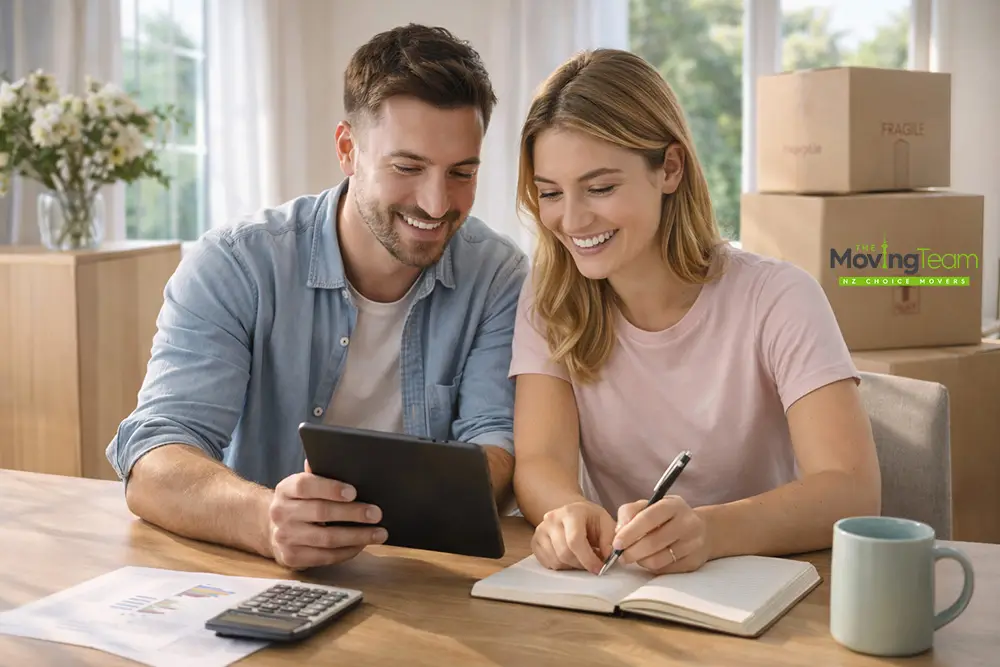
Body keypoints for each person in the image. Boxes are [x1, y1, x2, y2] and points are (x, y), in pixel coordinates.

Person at [107, 24, 527, 570]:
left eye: (461, 173)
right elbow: (154, 455)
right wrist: (265, 520)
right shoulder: (236, 265)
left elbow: (495, 446)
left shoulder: (498, 276)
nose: (435, 202)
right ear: (348, 150)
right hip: (258, 571)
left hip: (424, 579)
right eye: (408, 167)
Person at [509, 49, 882, 577]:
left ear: (670, 168)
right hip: (615, 589)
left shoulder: (779, 297)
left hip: (765, 588)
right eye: (550, 193)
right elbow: (541, 461)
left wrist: (710, 532)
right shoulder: (551, 301)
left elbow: (852, 488)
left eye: (600, 188)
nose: (570, 219)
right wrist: (564, 512)